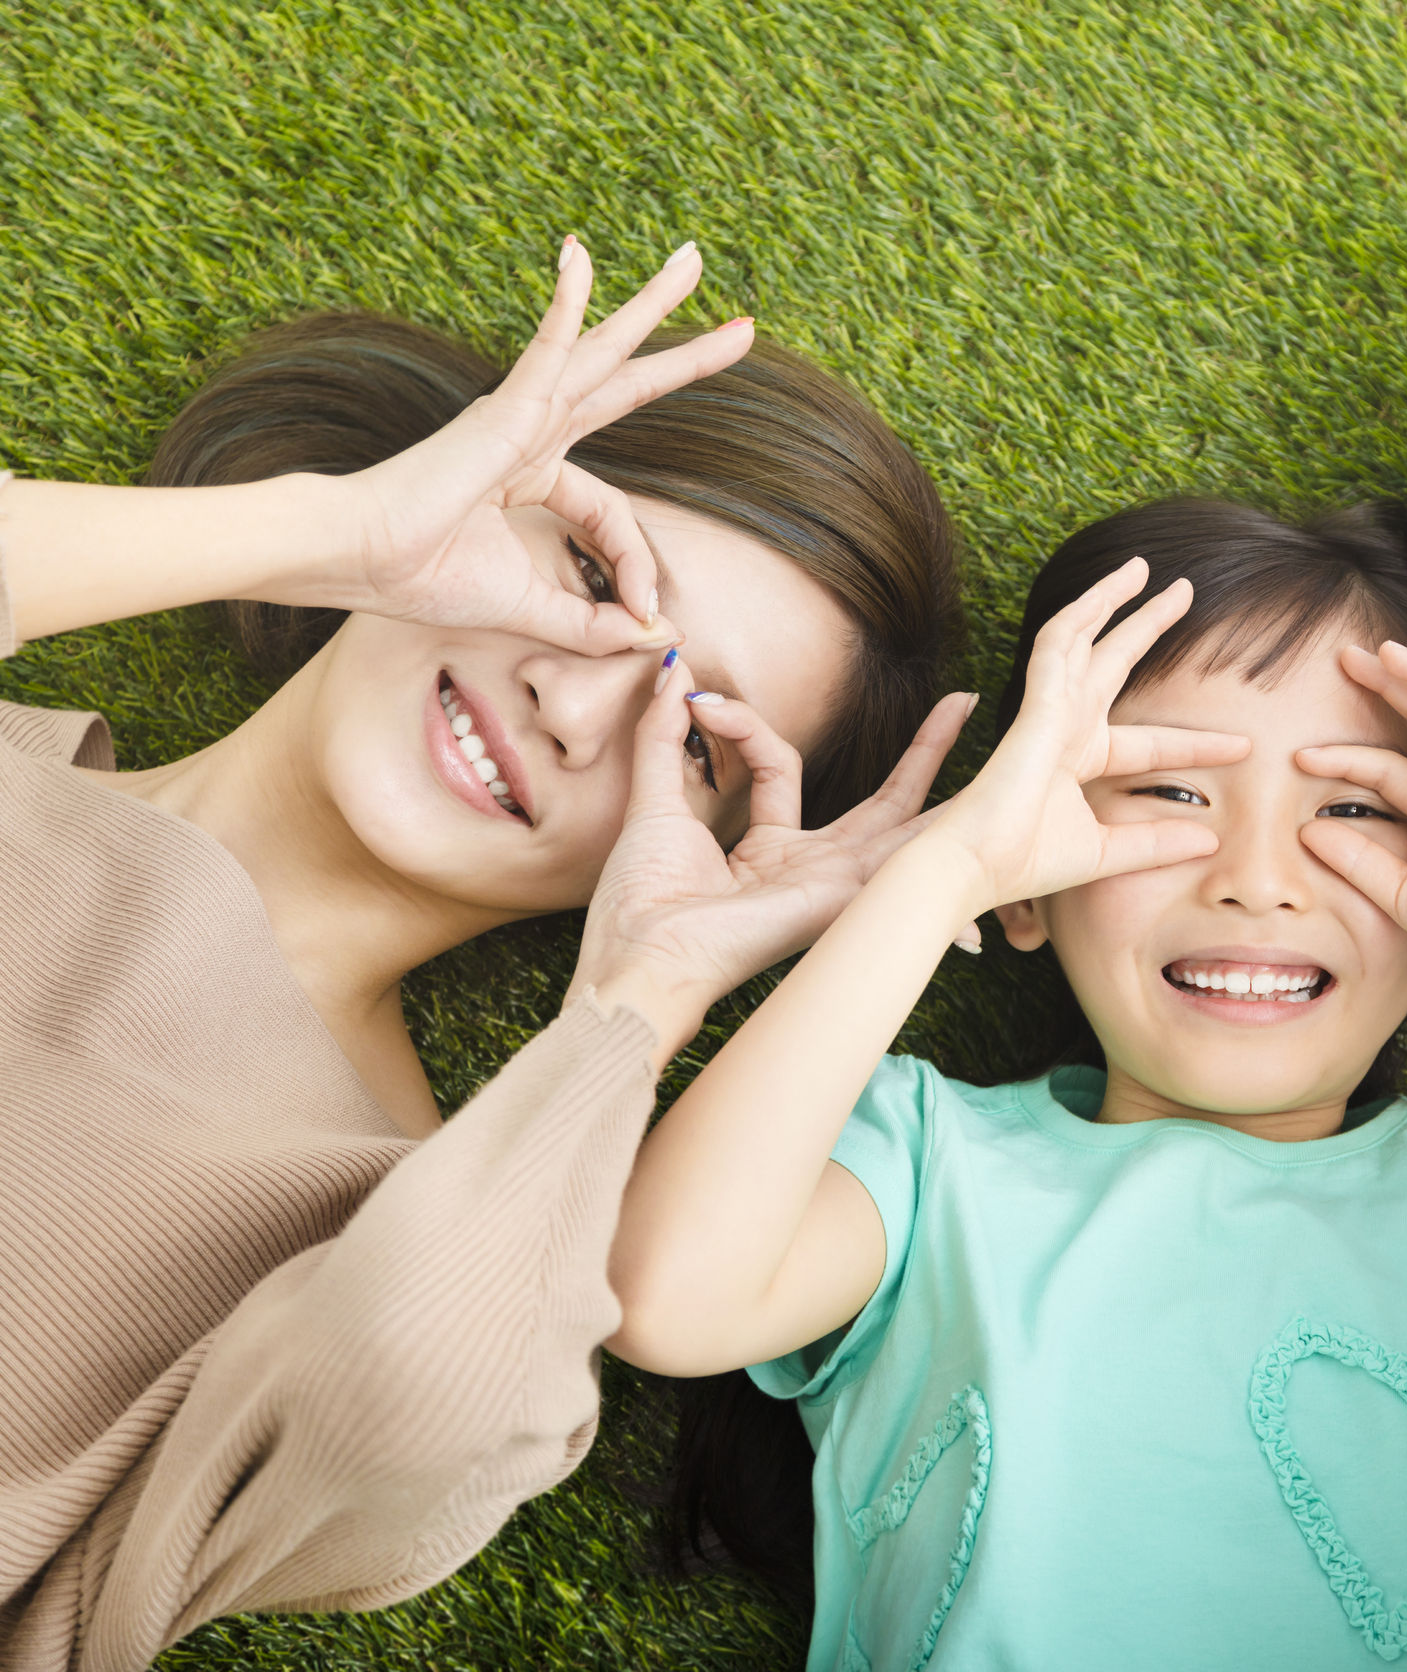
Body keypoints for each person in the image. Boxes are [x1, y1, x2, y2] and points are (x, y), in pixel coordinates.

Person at [0, 238, 965, 1670]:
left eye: (687, 737)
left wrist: (647, 991)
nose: (577, 705)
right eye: (586, 569)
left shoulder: (406, 1220)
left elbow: (421, 1414)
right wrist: (333, 531)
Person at [604, 500, 1407, 1670]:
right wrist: (949, 867)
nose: (1257, 880)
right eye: (1173, 789)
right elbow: (664, 1298)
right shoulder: (924, 1158)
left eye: (1355, 806)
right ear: (1036, 878)